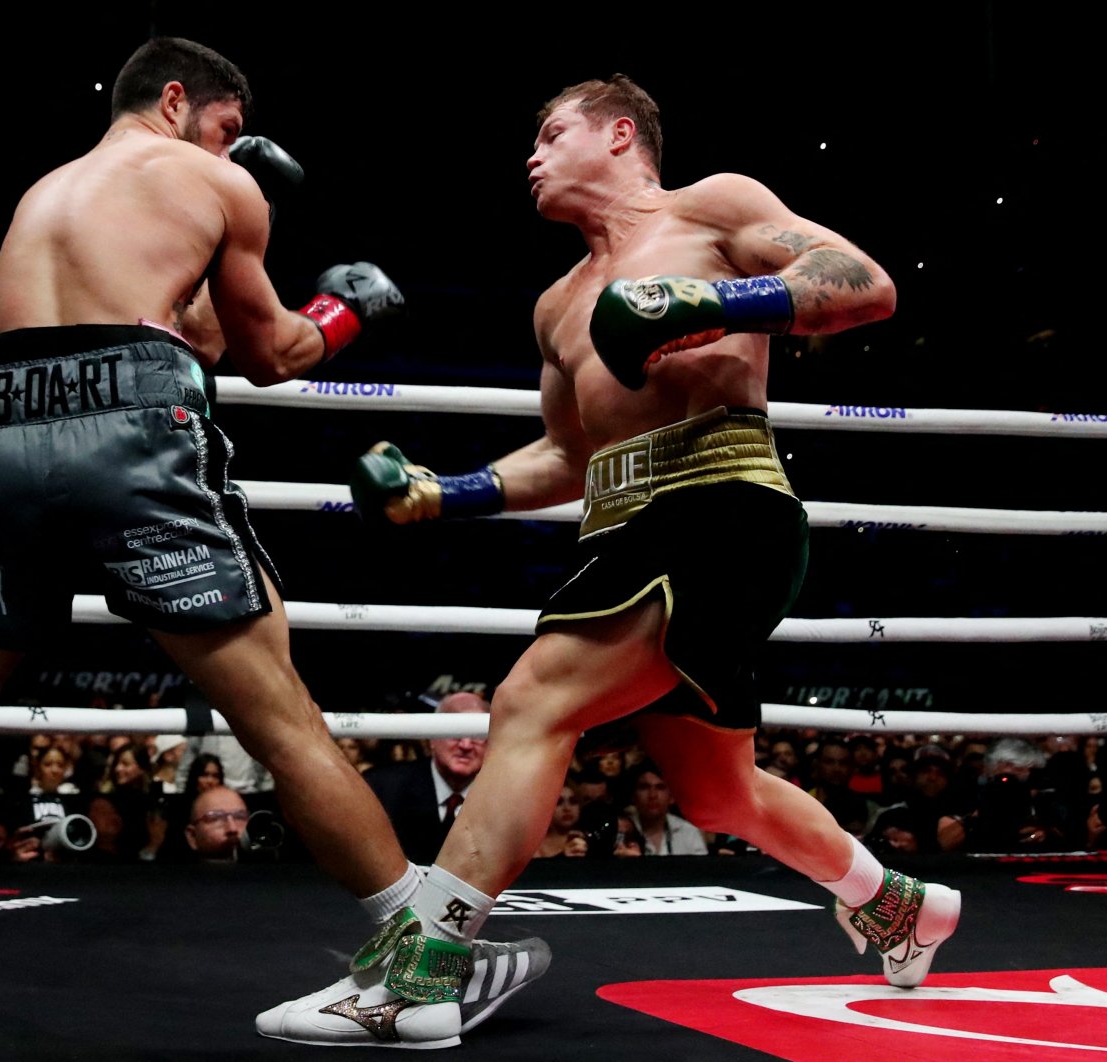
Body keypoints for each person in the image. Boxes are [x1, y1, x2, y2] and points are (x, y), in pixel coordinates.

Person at [0, 37, 545, 1030]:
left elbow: (176, 326)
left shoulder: (47, 191)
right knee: (279, 714)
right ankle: (420, 967)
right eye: (229, 130)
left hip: (2, 422)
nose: (236, 152)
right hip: (130, 428)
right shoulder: (211, 181)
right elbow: (270, 354)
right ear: (179, 101)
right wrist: (344, 309)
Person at [260, 74, 958, 1047]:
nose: (531, 156)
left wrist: (703, 304)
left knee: (531, 702)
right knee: (719, 793)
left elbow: (863, 286)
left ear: (620, 135)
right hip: (627, 528)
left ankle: (416, 977)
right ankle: (893, 903)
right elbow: (567, 457)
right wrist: (442, 492)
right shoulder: (558, 303)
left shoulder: (711, 206)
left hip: (718, 500)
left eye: (551, 134)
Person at [360, 691, 491, 863]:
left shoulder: (507, 799)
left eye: (477, 735)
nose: (466, 745)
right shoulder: (380, 789)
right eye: (456, 731)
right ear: (432, 738)